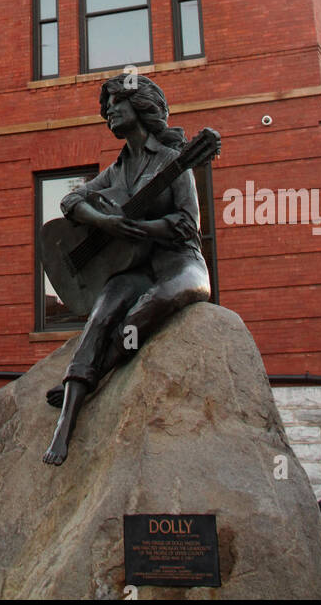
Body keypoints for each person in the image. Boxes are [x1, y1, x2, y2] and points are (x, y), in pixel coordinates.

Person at [42, 73, 212, 465]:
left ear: (139, 107)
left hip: (179, 263)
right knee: (101, 316)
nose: (109, 112)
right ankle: (65, 423)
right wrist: (105, 223)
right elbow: (73, 201)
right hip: (135, 263)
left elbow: (187, 224)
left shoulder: (174, 160)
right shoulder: (118, 170)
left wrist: (139, 227)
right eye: (107, 107)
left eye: (116, 104)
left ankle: (98, 372)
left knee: (150, 307)